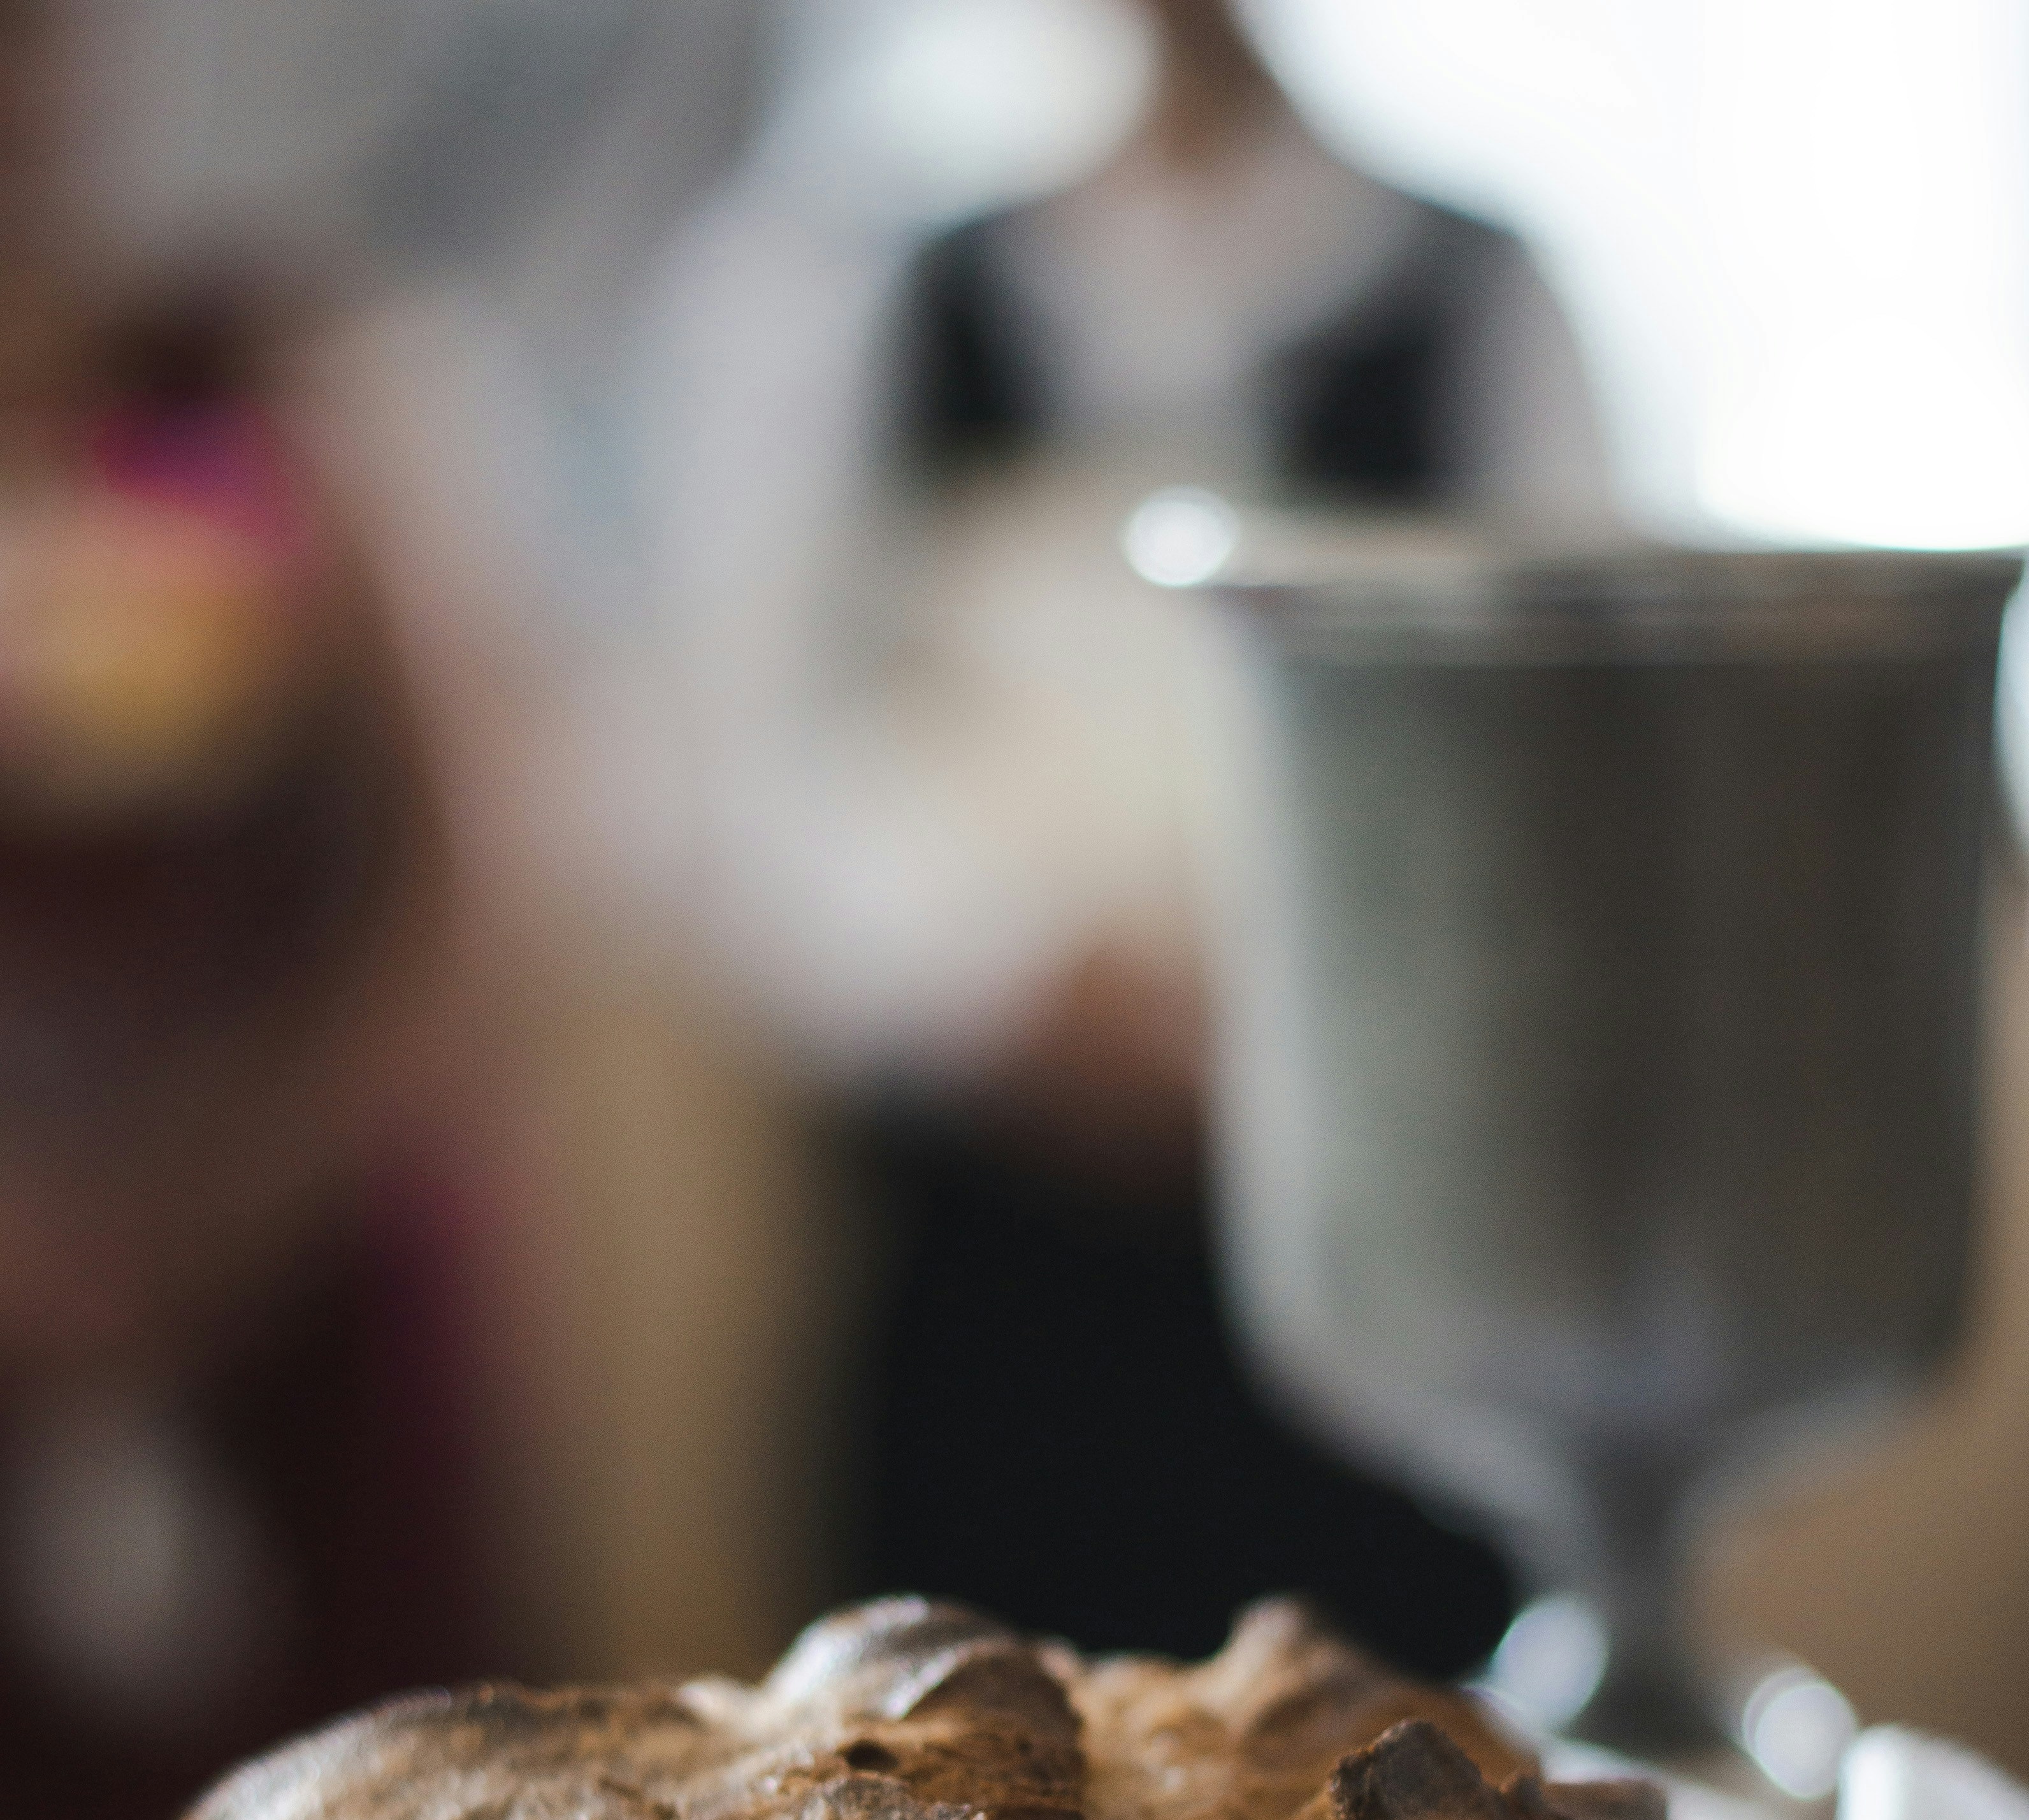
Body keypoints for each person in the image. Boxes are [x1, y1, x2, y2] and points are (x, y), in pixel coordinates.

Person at [628, 0, 1613, 1673]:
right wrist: (995, 980)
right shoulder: (863, 283)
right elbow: (739, 761)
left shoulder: (1487, 296)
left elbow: (1569, 763)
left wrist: (1283, 1002)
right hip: (984, 1292)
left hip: (1374, 1289)